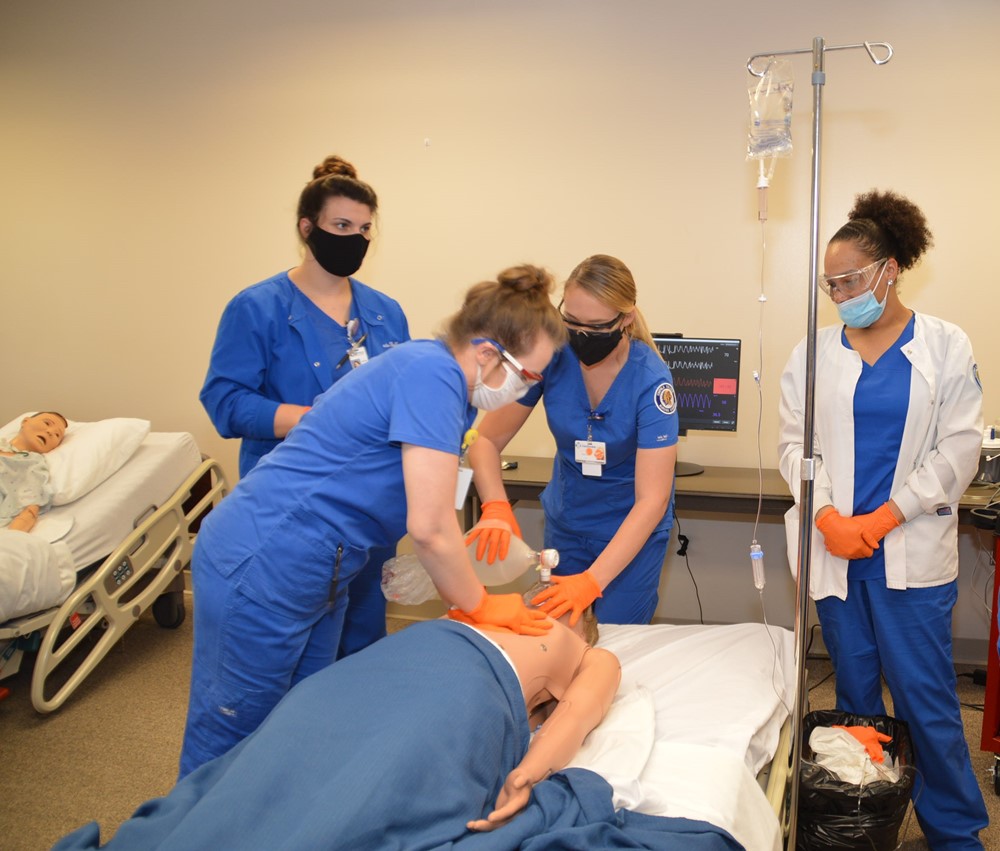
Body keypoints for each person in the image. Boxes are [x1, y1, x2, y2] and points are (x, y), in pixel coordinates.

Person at [178, 264, 568, 779]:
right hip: (265, 557)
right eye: (528, 378)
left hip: (321, 565)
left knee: (299, 718)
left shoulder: (442, 383)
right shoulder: (431, 375)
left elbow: (426, 506)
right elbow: (429, 526)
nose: (524, 392)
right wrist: (480, 604)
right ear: (487, 354)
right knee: (232, 732)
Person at [778, 189, 988, 849]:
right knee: (857, 701)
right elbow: (794, 443)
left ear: (890, 269)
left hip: (909, 554)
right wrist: (833, 516)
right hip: (836, 550)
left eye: (850, 280)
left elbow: (960, 447)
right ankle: (863, 826)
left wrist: (882, 517)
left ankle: (954, 831)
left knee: (926, 704)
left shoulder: (944, 346)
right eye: (829, 284)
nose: (839, 294)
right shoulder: (812, 353)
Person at [55, 612, 620, 850]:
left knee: (372, 783)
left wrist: (529, 771)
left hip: (460, 692)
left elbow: (577, 714)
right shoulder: (482, 604)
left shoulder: (591, 649)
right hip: (372, 672)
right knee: (277, 758)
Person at [200, 154, 410, 659]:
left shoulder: (385, 312)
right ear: (307, 228)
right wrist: (312, 421)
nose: (354, 238)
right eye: (341, 225)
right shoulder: (258, 308)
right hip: (291, 512)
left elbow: (405, 396)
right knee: (291, 656)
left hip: (368, 513)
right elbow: (225, 402)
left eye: (364, 229)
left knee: (361, 648)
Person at [467, 254, 678, 626]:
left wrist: (592, 582)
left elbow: (653, 499)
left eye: (596, 326)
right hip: (569, 524)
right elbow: (484, 441)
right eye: (572, 321)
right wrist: (496, 508)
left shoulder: (651, 381)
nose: (581, 335)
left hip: (629, 535)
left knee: (616, 642)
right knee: (558, 638)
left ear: (625, 318)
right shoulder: (552, 357)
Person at [1, 412, 68, 532]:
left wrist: (12, 537)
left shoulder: (33, 464)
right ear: (25, 422)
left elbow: (31, 506)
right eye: (47, 423)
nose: (50, 432)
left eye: (57, 435)